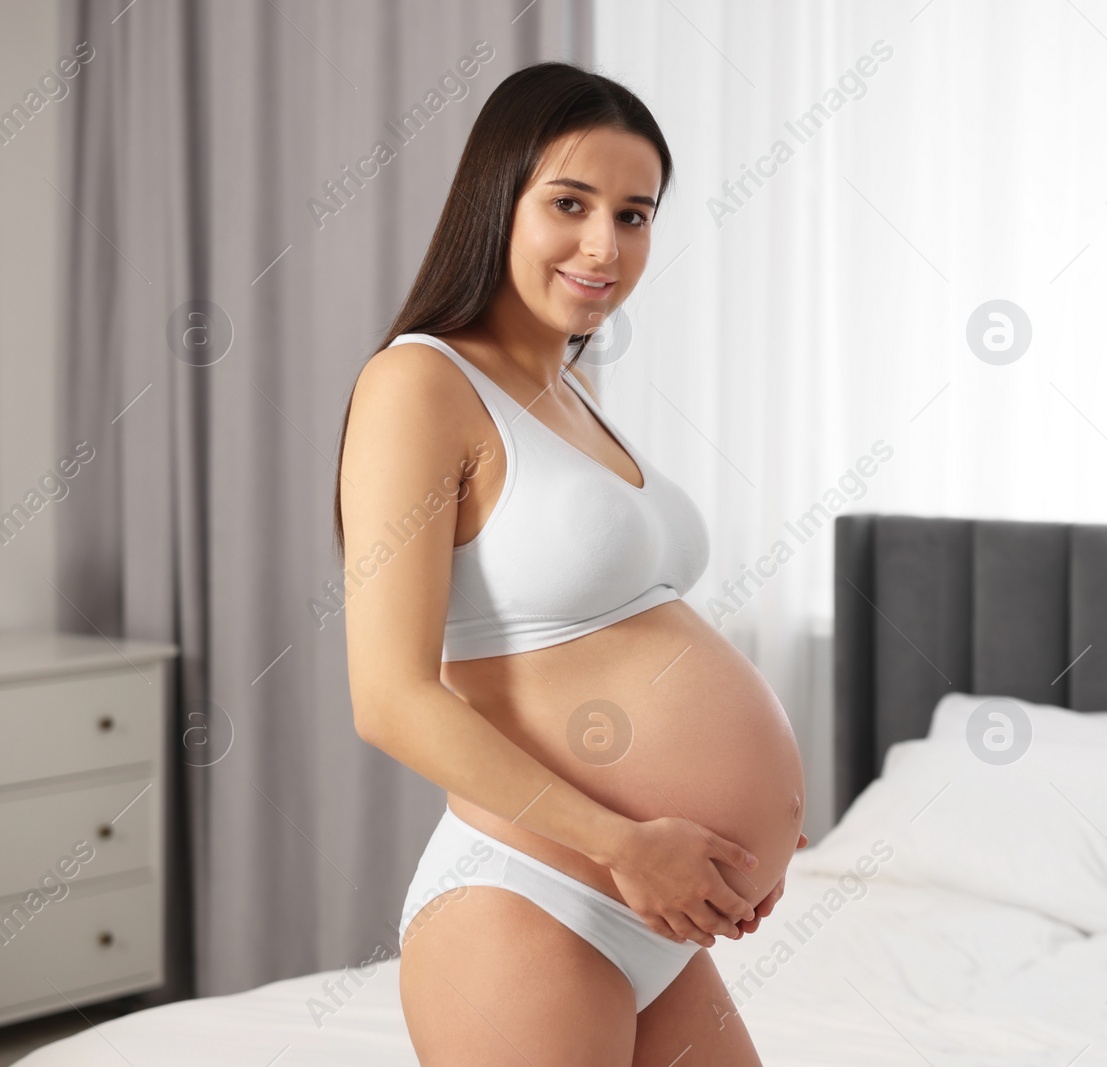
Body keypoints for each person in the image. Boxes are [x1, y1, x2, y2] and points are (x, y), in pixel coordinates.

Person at [333, 61, 806, 1065]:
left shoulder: (569, 396)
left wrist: (747, 825)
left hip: (651, 908)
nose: (605, 244)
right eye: (570, 203)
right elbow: (390, 695)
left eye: (634, 214)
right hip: (530, 895)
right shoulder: (419, 381)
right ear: (495, 200)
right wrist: (626, 841)